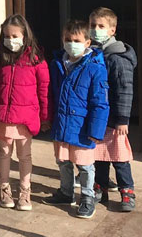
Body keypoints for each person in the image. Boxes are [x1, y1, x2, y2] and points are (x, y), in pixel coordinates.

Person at [0, 15, 50, 211]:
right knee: (4, 153)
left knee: (24, 155)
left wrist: (45, 117)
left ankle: (25, 191)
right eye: (7, 36)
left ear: (25, 36)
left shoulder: (35, 60)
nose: (11, 40)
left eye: (15, 36)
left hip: (25, 118)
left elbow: (44, 90)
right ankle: (4, 188)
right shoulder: (0, 59)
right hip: (4, 117)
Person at [47, 18, 110, 219]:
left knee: (84, 165)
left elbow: (100, 102)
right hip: (62, 124)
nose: (71, 44)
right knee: (63, 161)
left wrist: (96, 130)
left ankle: (87, 197)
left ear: (87, 43)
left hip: (82, 127)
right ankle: (66, 192)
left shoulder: (95, 68)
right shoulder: (58, 64)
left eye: (76, 40)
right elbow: (50, 94)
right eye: (68, 39)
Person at [89, 7, 137, 212]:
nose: (95, 29)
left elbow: (125, 89)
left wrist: (122, 119)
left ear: (112, 30)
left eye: (101, 26)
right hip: (98, 117)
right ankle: (100, 186)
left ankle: (127, 190)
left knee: (119, 157)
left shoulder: (117, 58)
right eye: (93, 25)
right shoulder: (92, 53)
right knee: (99, 155)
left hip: (114, 118)